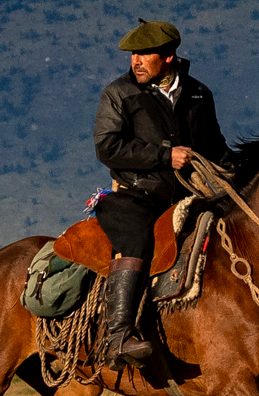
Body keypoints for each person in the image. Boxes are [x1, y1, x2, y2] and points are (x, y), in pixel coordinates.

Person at [89, 20, 241, 362]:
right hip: (136, 195)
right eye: (133, 55)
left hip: (189, 196)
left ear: (169, 57)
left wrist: (241, 176)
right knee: (138, 239)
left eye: (144, 54)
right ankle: (119, 336)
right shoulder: (119, 94)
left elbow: (215, 147)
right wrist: (163, 156)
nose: (136, 61)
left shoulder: (199, 93)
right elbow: (107, 147)